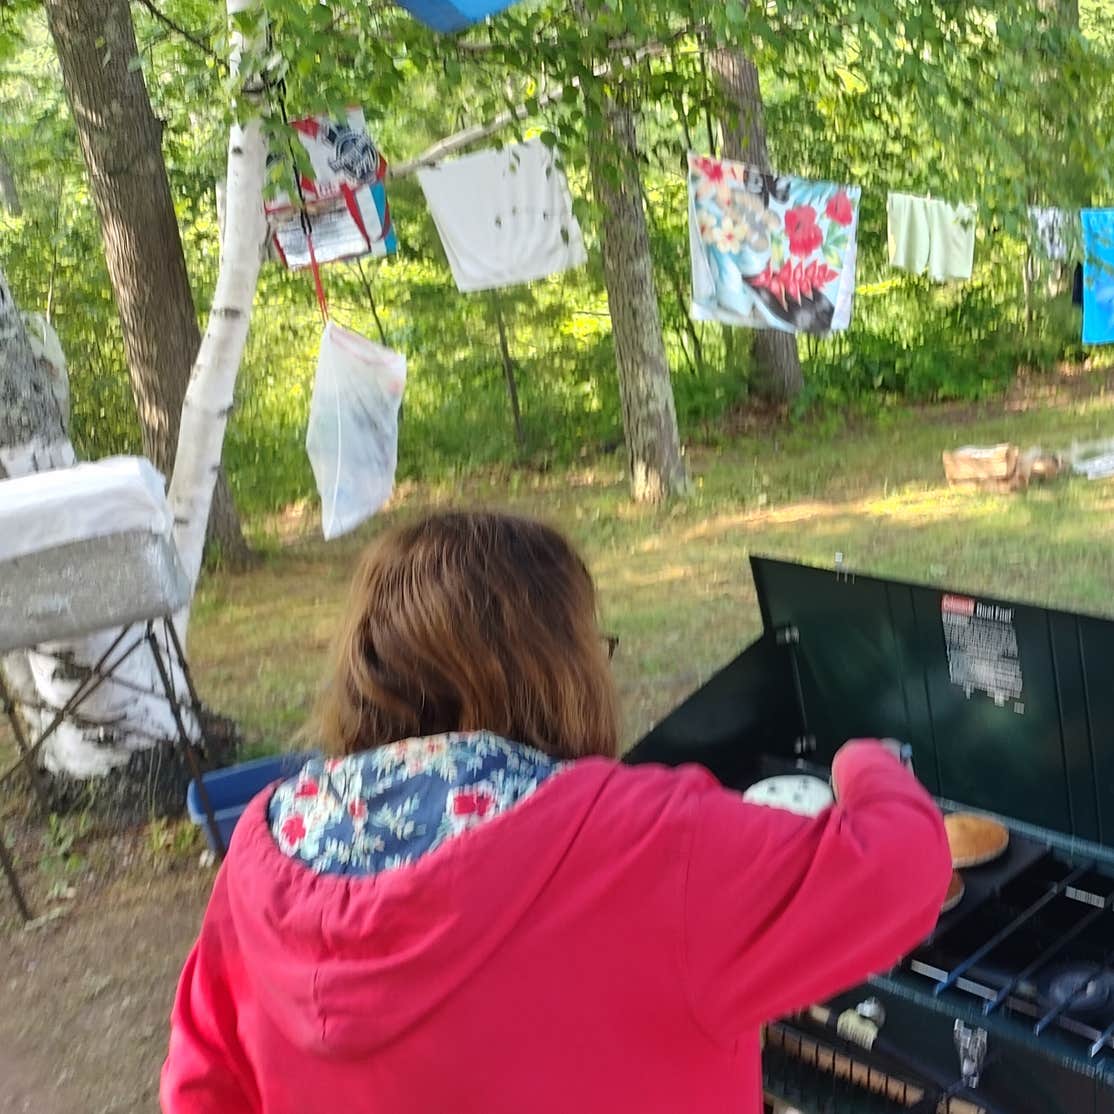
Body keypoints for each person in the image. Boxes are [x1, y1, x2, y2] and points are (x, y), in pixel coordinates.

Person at [161, 510, 951, 1114]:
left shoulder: (264, 845)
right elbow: (903, 866)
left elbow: (201, 1088)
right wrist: (864, 758)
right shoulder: (641, 843)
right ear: (559, 671)